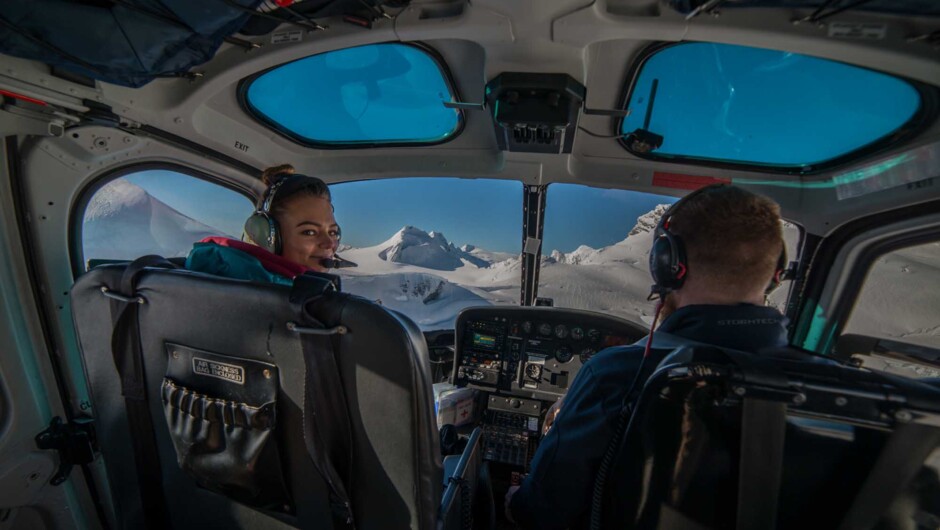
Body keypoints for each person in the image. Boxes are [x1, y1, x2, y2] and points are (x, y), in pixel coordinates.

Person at [506, 183, 793, 530]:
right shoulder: (840, 390)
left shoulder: (616, 375)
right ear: (776, 272)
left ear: (667, 264)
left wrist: (512, 498)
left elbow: (543, 513)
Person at [186, 164, 342, 284]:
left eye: (333, 232)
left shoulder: (296, 291)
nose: (329, 244)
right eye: (309, 232)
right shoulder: (273, 300)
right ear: (267, 237)